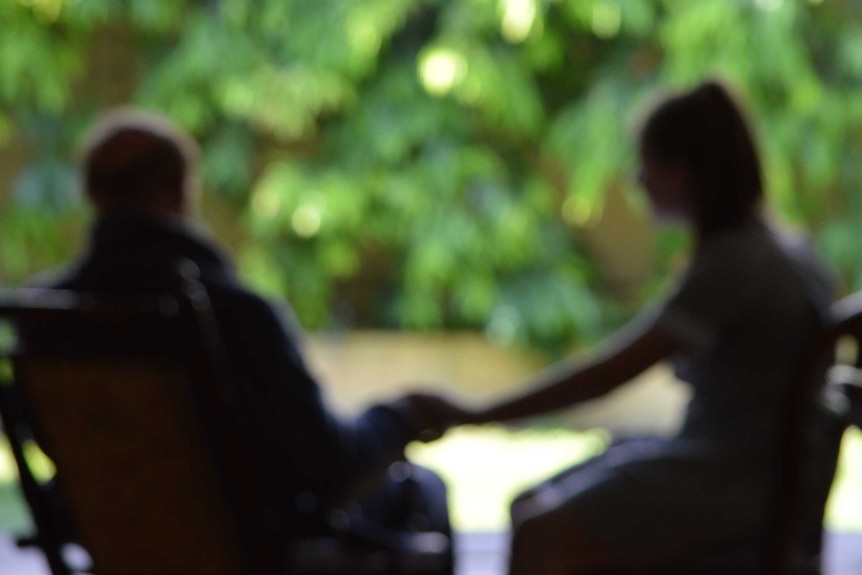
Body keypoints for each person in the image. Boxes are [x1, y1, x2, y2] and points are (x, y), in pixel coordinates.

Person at [407, 80, 836, 574]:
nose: (639, 180)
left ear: (684, 172)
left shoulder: (733, 264)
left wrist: (477, 414)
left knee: (537, 532)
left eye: (648, 165)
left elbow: (608, 373)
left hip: (737, 484)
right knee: (532, 504)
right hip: (762, 475)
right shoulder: (786, 252)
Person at [35, 109, 449, 548]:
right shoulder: (234, 314)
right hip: (253, 542)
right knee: (425, 493)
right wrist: (399, 417)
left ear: (92, 193)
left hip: (114, 535)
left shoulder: (50, 316)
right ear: (181, 191)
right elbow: (327, 467)